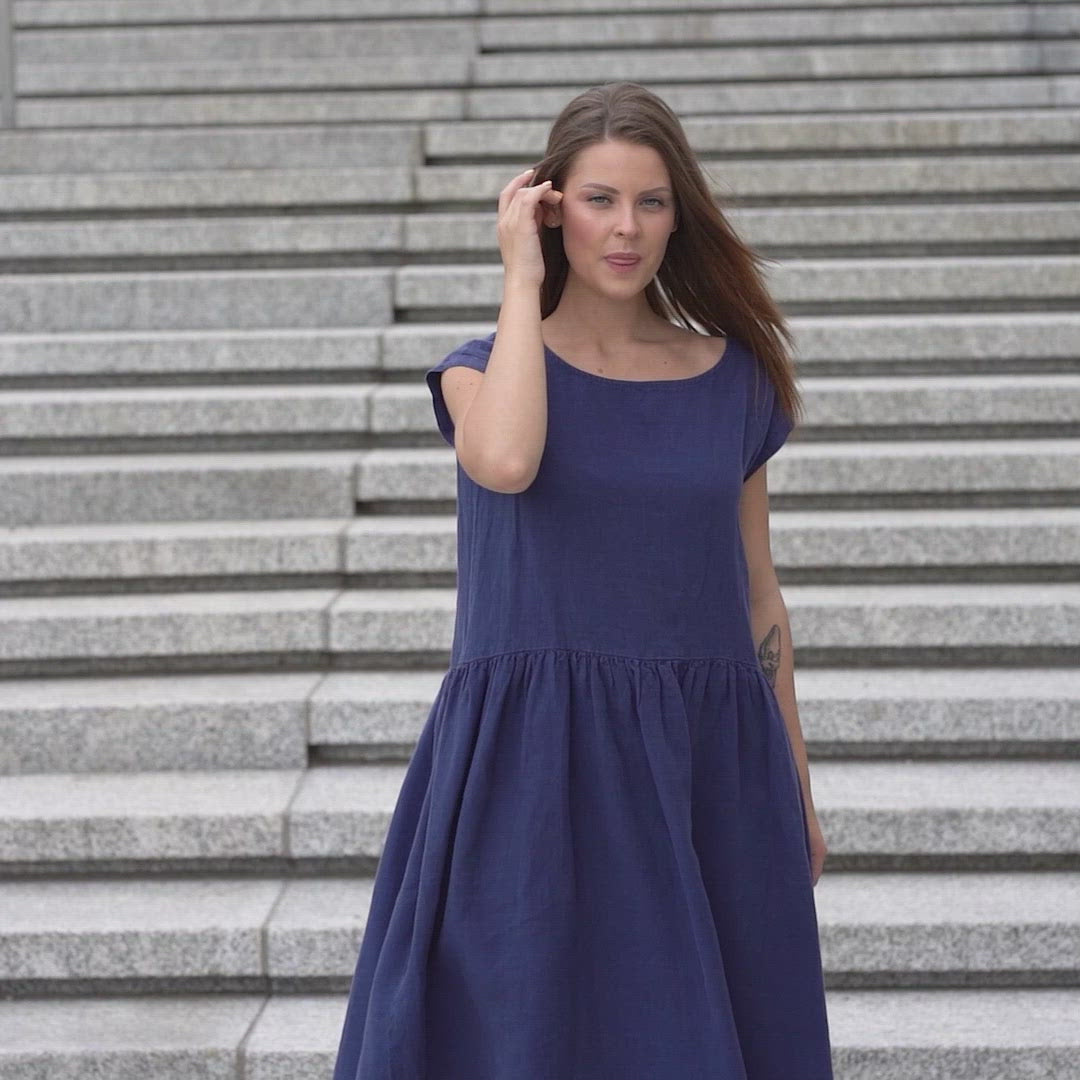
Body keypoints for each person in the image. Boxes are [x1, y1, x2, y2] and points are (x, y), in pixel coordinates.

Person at [332, 80, 834, 1080]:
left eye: (652, 202)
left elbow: (759, 600)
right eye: (600, 200)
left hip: (703, 764)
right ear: (552, 205)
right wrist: (521, 280)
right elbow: (507, 462)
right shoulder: (483, 370)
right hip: (533, 769)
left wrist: (797, 783)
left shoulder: (736, 379)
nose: (628, 228)